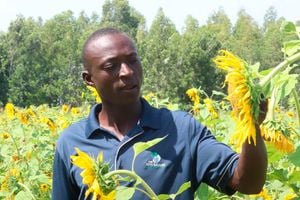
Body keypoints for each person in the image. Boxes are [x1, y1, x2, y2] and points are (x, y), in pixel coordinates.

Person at [51, 27, 267, 199]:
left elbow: (247, 183)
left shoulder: (181, 129)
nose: (127, 72)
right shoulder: (72, 142)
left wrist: (252, 126)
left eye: (132, 60)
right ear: (89, 79)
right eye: (111, 66)